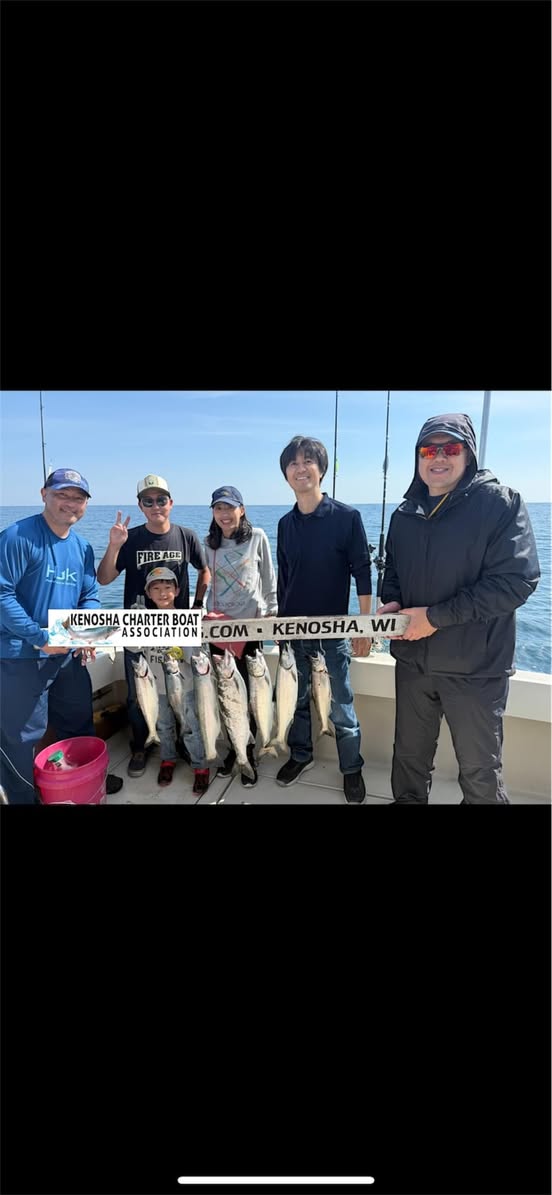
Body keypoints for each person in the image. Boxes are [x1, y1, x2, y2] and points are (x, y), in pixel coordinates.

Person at [378, 412, 540, 804]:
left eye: (450, 448)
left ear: (468, 454)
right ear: (418, 458)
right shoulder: (403, 514)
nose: (438, 457)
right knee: (408, 762)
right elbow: (393, 571)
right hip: (413, 663)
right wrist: (393, 601)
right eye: (428, 450)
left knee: (480, 773)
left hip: (476, 669)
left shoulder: (501, 504)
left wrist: (435, 618)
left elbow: (517, 582)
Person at [0, 468, 124, 803]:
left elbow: (90, 595)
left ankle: (81, 781)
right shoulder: (16, 536)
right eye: (62, 495)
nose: (70, 503)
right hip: (22, 655)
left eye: (78, 497)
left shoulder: (83, 547)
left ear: (86, 504)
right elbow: (2, 595)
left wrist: (87, 636)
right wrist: (38, 637)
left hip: (68, 655)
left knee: (78, 723)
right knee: (21, 738)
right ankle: (24, 797)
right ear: (44, 495)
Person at [276, 436, 372, 803]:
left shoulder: (347, 518)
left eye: (307, 461)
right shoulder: (285, 524)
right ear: (286, 473)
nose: (300, 469)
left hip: (333, 633)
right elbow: (285, 578)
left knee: (341, 704)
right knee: (297, 700)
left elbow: (363, 572)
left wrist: (365, 625)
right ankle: (301, 755)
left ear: (321, 469)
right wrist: (280, 627)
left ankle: (352, 768)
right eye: (293, 463)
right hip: (292, 631)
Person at [97, 474, 211, 779]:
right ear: (140, 506)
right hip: (137, 629)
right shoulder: (130, 538)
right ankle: (141, 745)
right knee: (139, 693)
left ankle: (181, 744)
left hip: (176, 627)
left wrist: (198, 605)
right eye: (148, 501)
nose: (155, 505)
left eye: (161, 499)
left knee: (181, 689)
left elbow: (205, 571)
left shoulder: (186, 536)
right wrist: (113, 546)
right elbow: (104, 579)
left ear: (170, 503)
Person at [203, 485, 278, 788]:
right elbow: (204, 583)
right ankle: (235, 751)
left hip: (250, 628)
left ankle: (250, 753)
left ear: (241, 510)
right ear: (213, 512)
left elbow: (269, 577)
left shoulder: (257, 537)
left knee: (250, 696)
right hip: (218, 629)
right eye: (218, 508)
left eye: (230, 507)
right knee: (227, 698)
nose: (224, 514)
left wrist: (272, 612)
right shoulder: (208, 544)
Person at [135, 567, 211, 795]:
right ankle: (167, 759)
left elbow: (198, 656)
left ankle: (200, 765)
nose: (162, 593)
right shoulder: (144, 621)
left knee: (191, 726)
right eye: (156, 588)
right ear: (148, 594)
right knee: (163, 726)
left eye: (168, 587)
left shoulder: (187, 620)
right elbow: (132, 648)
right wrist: (134, 623)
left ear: (177, 591)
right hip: (155, 688)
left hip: (185, 686)